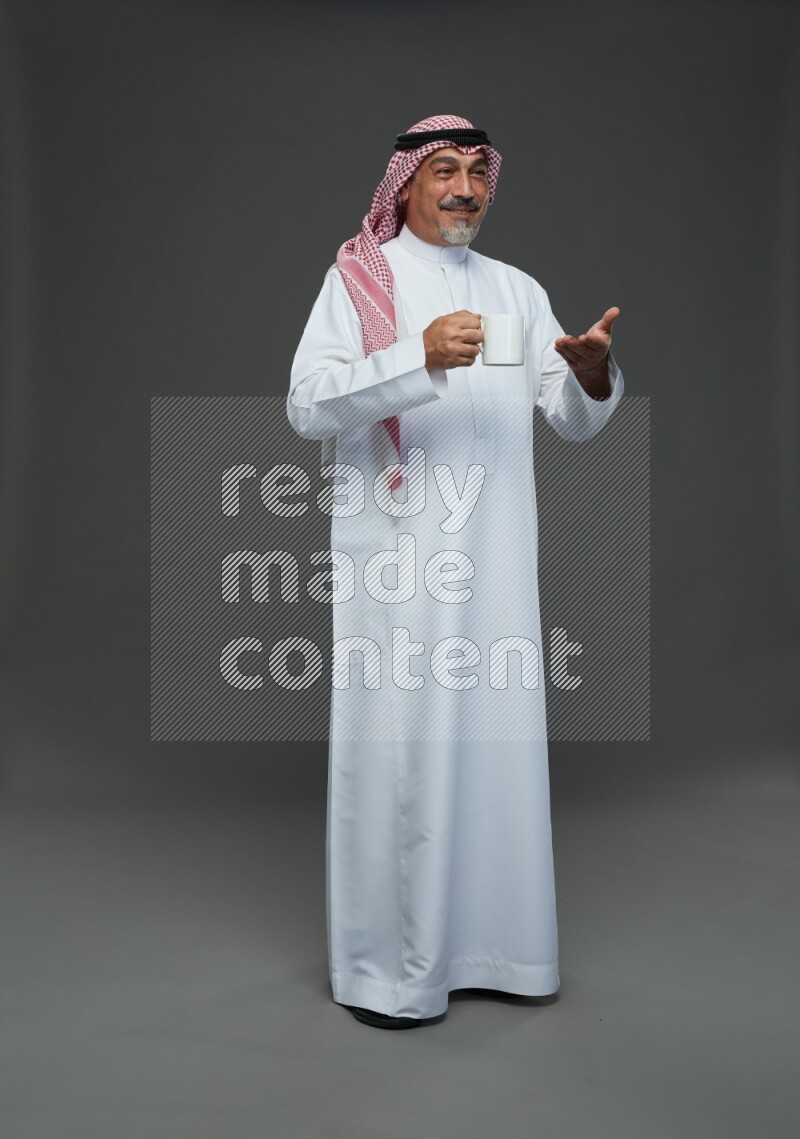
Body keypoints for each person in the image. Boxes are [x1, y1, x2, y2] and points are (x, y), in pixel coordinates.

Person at [286, 114, 624, 1030]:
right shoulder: (360, 282)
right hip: (399, 566)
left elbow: (569, 415)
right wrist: (417, 357)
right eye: (444, 170)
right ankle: (393, 974)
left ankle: (502, 954)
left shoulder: (517, 290)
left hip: (498, 566)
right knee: (403, 756)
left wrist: (593, 374)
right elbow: (307, 406)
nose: (465, 187)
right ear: (406, 185)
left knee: (495, 751)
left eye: (477, 170)